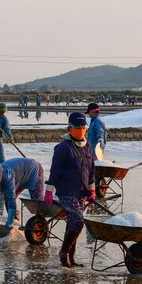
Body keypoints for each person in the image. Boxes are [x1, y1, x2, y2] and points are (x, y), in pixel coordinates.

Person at [44, 112, 95, 268]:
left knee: (71, 224)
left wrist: (92, 190)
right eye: (77, 127)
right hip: (66, 191)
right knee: (78, 221)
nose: (80, 130)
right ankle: (63, 253)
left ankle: (71, 258)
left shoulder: (87, 146)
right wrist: (49, 191)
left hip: (81, 191)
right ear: (70, 128)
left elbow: (91, 169)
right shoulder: (63, 147)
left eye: (82, 127)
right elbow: (55, 171)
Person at [0, 158, 44, 230]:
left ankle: (41, 227)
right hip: (19, 177)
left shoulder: (7, 176)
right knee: (7, 202)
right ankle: (16, 225)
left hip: (34, 170)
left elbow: (11, 198)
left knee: (37, 204)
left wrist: (9, 221)